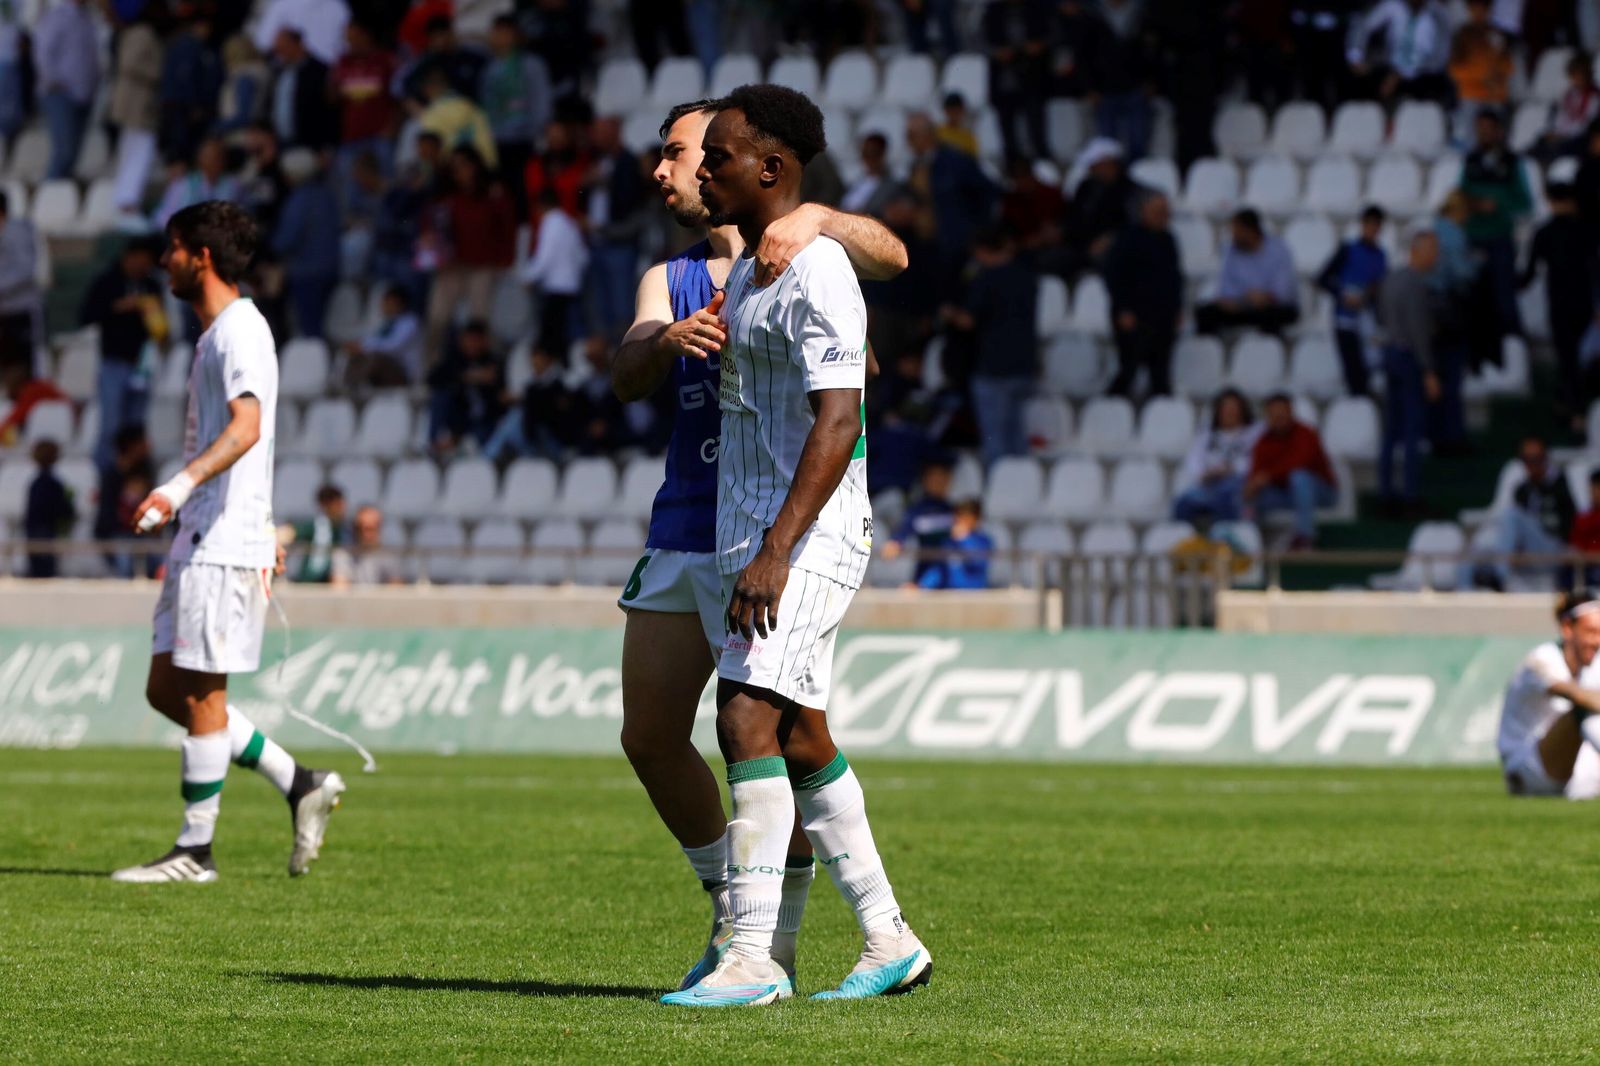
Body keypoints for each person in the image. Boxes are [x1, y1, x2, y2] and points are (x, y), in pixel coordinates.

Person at [610, 94, 909, 1001]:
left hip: (783, 528)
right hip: (703, 522)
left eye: (690, 155)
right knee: (769, 732)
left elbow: (856, 365)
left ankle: (756, 948)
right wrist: (666, 340)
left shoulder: (809, 255)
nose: (674, 173)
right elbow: (625, 373)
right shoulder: (692, 278)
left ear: (746, 160)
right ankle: (873, 936)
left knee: (747, 719)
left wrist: (815, 218)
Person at [113, 200, 344, 884]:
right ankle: (299, 781)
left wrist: (177, 487)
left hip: (218, 538)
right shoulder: (218, 333)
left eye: (173, 249)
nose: (164, 262)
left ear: (201, 256)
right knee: (168, 688)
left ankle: (195, 851)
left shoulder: (240, 330)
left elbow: (247, 427)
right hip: (204, 536)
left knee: (204, 694)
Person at [944, 227, 1038, 468]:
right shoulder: (1026, 276)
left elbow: (968, 320)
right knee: (1017, 434)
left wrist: (950, 314)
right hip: (1025, 365)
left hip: (993, 367)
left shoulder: (986, 278)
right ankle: (1023, 485)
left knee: (995, 438)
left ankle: (1001, 491)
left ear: (983, 251)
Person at [1495, 590, 1600, 799]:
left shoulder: (1594, 663)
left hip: (1577, 765)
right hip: (1529, 765)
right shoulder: (1541, 660)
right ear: (1567, 628)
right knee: (1583, 708)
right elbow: (1577, 695)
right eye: (1590, 632)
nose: (1597, 641)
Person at [1521, 167, 1599, 428]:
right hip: (1583, 303)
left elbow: (1528, 275)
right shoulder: (1585, 231)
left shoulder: (1545, 233)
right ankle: (1571, 406)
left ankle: (1571, 407)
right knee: (1573, 358)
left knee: (1568, 358)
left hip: (1561, 304)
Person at [423, 146, 515, 365]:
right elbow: (428, 226)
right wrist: (429, 244)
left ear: (476, 166)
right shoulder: (445, 197)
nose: (460, 172)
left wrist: (506, 260)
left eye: (465, 165)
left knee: (480, 321)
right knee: (436, 319)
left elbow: (507, 228)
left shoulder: (493, 195)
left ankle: (486, 371)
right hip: (451, 267)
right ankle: (432, 371)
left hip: (482, 266)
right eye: (455, 168)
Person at [80, 238, 165, 467]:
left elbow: (161, 325)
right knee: (112, 423)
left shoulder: (151, 285)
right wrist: (119, 307)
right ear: (129, 257)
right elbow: (87, 316)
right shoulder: (107, 283)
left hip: (143, 363)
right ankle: (106, 474)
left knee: (136, 424)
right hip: (114, 362)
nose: (143, 268)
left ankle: (134, 474)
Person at [1376, 228, 1442, 513]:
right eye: (1433, 250)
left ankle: (1386, 491)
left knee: (1392, 429)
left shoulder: (1391, 279)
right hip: (1408, 357)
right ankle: (1410, 493)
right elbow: (1418, 329)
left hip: (1390, 352)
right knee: (1412, 426)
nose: (1436, 256)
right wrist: (1428, 369)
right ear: (1419, 250)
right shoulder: (1415, 283)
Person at [1460, 107, 1532, 341]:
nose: (1484, 134)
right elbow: (1459, 196)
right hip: (1473, 238)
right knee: (1474, 296)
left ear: (1499, 131)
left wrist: (1497, 205)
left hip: (1500, 239)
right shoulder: (1471, 160)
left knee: (1504, 298)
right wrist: (1471, 204)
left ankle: (1514, 347)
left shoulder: (1511, 163)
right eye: (1480, 129)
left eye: (1488, 129)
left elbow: (1525, 202)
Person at [1104, 190, 1182, 399]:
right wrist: (1122, 309)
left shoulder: (1168, 240)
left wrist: (1177, 309)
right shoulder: (1127, 239)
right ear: (1143, 212)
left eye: (1165, 211)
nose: (1163, 216)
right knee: (1129, 367)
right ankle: (1111, 406)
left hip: (1162, 317)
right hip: (1135, 316)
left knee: (1160, 372)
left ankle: (1162, 415)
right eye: (1158, 211)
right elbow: (1114, 277)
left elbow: (1175, 278)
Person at [1476, 436, 1578, 591]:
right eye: (1527, 459)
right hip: (1527, 553)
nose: (1532, 464)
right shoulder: (1522, 490)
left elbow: (1571, 522)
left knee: (1511, 514)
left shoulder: (1560, 484)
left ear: (1545, 459)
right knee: (1475, 551)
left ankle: (1501, 577)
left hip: (1553, 549)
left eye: (1536, 459)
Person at [479, 15, 552, 217]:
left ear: (517, 35)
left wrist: (538, 133)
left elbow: (541, 101)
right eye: (497, 33)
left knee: (529, 196)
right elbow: (488, 107)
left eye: (506, 32)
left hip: (528, 142)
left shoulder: (532, 65)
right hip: (499, 144)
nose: (502, 38)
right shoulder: (489, 71)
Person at [585, 116, 649, 345]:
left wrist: (608, 183)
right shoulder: (592, 161)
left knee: (621, 304)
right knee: (598, 306)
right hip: (595, 242)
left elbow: (633, 201)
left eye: (602, 131)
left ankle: (624, 349)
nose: (596, 137)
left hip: (619, 243)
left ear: (615, 132)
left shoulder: (628, 163)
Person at [1244, 393, 1338, 549]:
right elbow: (1257, 473)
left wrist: (1268, 476)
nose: (1279, 418)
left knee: (1299, 478)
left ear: (1291, 412)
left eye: (1282, 413)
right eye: (1274, 414)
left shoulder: (1306, 433)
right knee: (1251, 493)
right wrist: (1252, 486)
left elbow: (1299, 463)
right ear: (1268, 416)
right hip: (1286, 494)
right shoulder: (1263, 440)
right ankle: (1250, 542)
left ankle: (1305, 538)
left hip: (1322, 492)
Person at [1316, 205, 1389, 397]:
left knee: (1370, 370)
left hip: (1369, 322)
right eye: (1369, 224)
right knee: (1353, 371)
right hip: (1345, 320)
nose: (1373, 229)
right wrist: (1342, 295)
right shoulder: (1348, 250)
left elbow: (1381, 288)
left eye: (1377, 225)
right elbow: (1322, 279)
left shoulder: (1381, 256)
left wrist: (1371, 293)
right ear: (1362, 225)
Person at [272, 149, 342, 340]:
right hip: (331, 269)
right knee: (324, 325)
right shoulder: (327, 196)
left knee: (311, 329)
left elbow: (286, 240)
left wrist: (270, 247)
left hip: (306, 273)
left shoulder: (297, 201)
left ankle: (315, 366)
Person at [1196, 209, 1300, 335]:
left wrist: (1264, 297)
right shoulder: (1230, 251)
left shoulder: (1278, 250)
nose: (1233, 235)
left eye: (1236, 231)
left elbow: (1283, 291)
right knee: (1204, 313)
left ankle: (1269, 351)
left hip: (1270, 307)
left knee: (1272, 315)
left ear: (1251, 231)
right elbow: (1226, 289)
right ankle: (1211, 351)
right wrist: (1240, 300)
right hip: (1242, 306)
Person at [519, 187, 589, 366]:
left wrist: (529, 277)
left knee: (551, 339)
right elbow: (583, 256)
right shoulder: (569, 223)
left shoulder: (550, 223)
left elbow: (545, 257)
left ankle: (553, 371)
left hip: (555, 289)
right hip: (572, 287)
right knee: (567, 335)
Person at [106, 8, 164, 218]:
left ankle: (127, 201)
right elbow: (129, 63)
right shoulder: (142, 33)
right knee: (140, 149)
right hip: (136, 103)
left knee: (133, 149)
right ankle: (127, 203)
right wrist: (160, 73)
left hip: (136, 103)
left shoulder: (137, 32)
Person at [1171, 389, 1261, 524]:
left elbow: (1258, 460)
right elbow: (1193, 459)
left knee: (1225, 496)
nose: (1229, 412)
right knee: (1182, 503)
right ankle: (1189, 541)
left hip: (1238, 483)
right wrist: (1204, 474)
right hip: (1209, 483)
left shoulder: (1254, 432)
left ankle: (1223, 539)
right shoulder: (1207, 433)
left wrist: (1232, 468)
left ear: (1242, 410)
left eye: (1234, 407)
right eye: (1225, 407)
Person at [35, 0, 100, 181]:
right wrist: (55, 82)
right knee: (64, 152)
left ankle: (60, 192)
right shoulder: (57, 17)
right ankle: (48, 200)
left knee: (72, 155)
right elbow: (43, 52)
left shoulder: (87, 17)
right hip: (61, 94)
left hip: (83, 95)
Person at [983, 0, 1052, 163]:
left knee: (1036, 125)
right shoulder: (992, 11)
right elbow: (979, 41)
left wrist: (1038, 46)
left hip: (1032, 77)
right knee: (1007, 130)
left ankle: (1042, 163)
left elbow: (1052, 35)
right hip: (1004, 79)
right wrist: (997, 52)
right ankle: (1013, 164)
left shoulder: (1037, 8)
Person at [1347, 0, 1453, 106]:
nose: (1386, 85)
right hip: (1421, 71)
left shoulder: (1396, 6)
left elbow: (1363, 23)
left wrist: (1355, 56)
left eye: (1384, 86)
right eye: (1387, 88)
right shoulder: (1429, 65)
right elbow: (1365, 24)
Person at [158, 13, 222, 167]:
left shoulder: (197, 46)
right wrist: (194, 104)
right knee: (180, 149)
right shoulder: (189, 46)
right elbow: (185, 77)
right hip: (181, 107)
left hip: (181, 105)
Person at [882, 457, 956, 587]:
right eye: (934, 477)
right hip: (924, 576)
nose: (938, 481)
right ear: (925, 480)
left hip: (951, 578)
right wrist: (895, 542)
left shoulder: (955, 512)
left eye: (942, 477)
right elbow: (902, 531)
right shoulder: (916, 511)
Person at [94, 424, 156, 579]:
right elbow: (106, 518)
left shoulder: (146, 470)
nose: (148, 446)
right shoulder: (111, 475)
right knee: (124, 562)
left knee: (158, 559)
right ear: (132, 446)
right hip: (117, 534)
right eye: (142, 442)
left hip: (140, 533)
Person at [1448, 0, 1513, 142]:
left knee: (1498, 138)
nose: (1479, 12)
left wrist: (1495, 76)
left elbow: (1508, 66)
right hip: (1471, 94)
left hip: (1494, 94)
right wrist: (1482, 76)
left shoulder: (1497, 33)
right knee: (1472, 140)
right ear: (1469, 9)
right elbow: (1455, 69)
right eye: (1475, 8)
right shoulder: (1463, 35)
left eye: (1483, 8)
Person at [343, 285, 423, 390]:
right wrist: (359, 345)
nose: (383, 305)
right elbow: (374, 340)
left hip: (405, 375)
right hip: (388, 369)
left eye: (386, 302)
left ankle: (355, 389)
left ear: (397, 302)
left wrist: (362, 346)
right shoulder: (387, 323)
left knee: (374, 359)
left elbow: (393, 347)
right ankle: (347, 388)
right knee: (355, 355)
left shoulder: (410, 323)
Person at [152, 138, 242, 229]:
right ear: (200, 159)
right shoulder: (183, 183)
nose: (214, 162)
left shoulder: (233, 186)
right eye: (209, 157)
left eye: (218, 157)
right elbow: (162, 216)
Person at [269, 28, 335, 152]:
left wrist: (326, 145)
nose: (279, 54)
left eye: (282, 48)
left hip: (311, 144)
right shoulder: (280, 72)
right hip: (282, 143)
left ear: (296, 44)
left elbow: (328, 109)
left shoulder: (318, 71)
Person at [24, 439, 75, 579]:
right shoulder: (52, 484)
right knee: (44, 573)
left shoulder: (37, 483)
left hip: (36, 532)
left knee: (39, 572)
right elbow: (64, 510)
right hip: (45, 533)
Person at [0, 190, 40, 367]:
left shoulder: (17, 232)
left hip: (19, 311)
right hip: (4, 311)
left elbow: (25, 270)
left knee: (21, 368)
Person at [916, 499, 992, 589]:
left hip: (973, 596)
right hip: (949, 595)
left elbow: (978, 563)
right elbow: (938, 569)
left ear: (976, 519)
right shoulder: (948, 542)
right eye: (959, 516)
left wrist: (964, 539)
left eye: (966, 517)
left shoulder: (983, 541)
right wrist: (921, 586)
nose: (961, 521)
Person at [1539, 51, 1599, 160]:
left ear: (1587, 74)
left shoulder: (1594, 96)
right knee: (1541, 141)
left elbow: (1587, 124)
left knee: (1560, 149)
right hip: (1564, 136)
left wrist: (1564, 135)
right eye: (1573, 75)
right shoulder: (1569, 95)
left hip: (1581, 139)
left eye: (1579, 75)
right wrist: (1556, 132)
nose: (1575, 79)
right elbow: (1563, 117)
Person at [329, 504, 404, 587]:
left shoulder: (389, 555)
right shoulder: (343, 554)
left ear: (380, 528)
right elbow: (339, 588)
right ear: (354, 528)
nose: (366, 534)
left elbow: (396, 588)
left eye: (371, 528)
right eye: (360, 528)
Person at [289, 484, 349, 583]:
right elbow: (289, 533)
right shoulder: (317, 526)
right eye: (337, 504)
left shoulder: (343, 530)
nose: (342, 508)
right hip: (309, 581)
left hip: (329, 582)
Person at [0, 359, 66, 446]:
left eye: (8, 383)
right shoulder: (33, 387)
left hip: (63, 421)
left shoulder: (31, 391)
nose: (7, 386)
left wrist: (2, 428)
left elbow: (18, 415)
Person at [839, 133, 904, 219]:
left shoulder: (892, 186)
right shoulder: (855, 182)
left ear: (882, 155)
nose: (869, 158)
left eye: (873, 153)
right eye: (865, 153)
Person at [1570, 473, 1600, 587]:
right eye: (1593, 489)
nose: (1595, 493)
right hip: (1585, 571)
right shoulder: (1583, 518)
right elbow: (1575, 548)